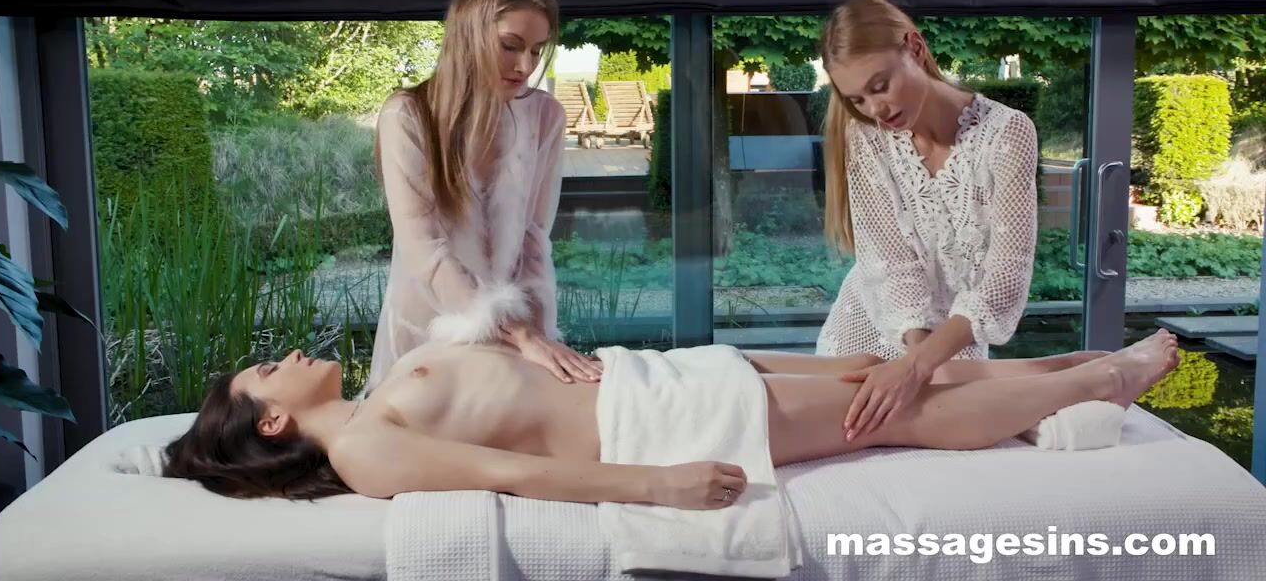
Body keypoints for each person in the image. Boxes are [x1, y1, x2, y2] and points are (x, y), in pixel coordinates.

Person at [162, 330, 1181, 506]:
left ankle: (1073, 368)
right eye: (268, 372)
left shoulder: (380, 399)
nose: (286, 358)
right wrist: (658, 486)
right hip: (656, 425)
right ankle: (1100, 383)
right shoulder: (366, 449)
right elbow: (514, 475)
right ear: (273, 424)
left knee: (881, 372)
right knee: (890, 411)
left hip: (652, 380)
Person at [813, 0, 1069, 442]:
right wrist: (913, 365)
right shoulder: (865, 136)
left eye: (880, 86)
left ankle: (1113, 372)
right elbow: (893, 263)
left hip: (954, 346)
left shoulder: (1007, 133)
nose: (875, 110)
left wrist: (918, 367)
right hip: (865, 331)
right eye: (858, 99)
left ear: (915, 48)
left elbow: (1005, 277)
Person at [368, 0, 600, 389]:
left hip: (519, 344)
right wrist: (519, 334)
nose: (525, 66)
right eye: (510, 45)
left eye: (536, 50)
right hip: (427, 334)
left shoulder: (544, 116)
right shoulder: (408, 116)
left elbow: (533, 241)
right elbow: (424, 249)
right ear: (469, 33)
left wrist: (537, 337)